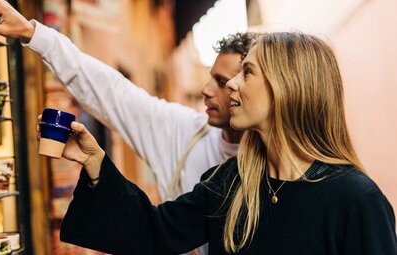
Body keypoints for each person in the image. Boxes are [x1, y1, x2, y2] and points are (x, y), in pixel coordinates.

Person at [44, 32, 395, 254]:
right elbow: (151, 233)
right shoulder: (231, 181)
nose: (231, 85)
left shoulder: (356, 200)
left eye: (248, 72)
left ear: (287, 87)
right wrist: (95, 165)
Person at [0, 0, 256, 202]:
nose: (206, 90)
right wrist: (31, 33)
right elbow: (111, 90)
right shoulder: (186, 133)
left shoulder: (286, 161)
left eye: (222, 82)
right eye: (211, 78)